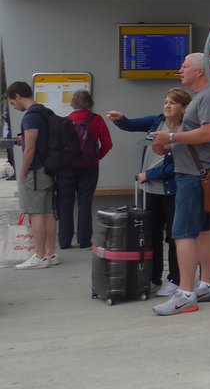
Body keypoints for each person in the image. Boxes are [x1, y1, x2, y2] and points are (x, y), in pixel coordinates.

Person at [149, 53, 210, 316]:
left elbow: (208, 133)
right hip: (199, 173)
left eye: (185, 66)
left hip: (193, 177)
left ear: (200, 71)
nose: (180, 70)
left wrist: (170, 135)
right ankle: (207, 285)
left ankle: (184, 294)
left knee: (182, 233)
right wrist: (173, 145)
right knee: (205, 230)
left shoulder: (208, 97)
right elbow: (201, 136)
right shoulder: (205, 97)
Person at [107, 87, 191, 296]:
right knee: (151, 235)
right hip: (151, 191)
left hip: (173, 190)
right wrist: (120, 119)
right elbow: (131, 125)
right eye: (166, 102)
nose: (167, 106)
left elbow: (181, 164)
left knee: (174, 237)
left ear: (184, 107)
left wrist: (150, 175)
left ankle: (175, 279)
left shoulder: (187, 131)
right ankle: (153, 278)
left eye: (172, 102)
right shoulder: (157, 122)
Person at [4, 82, 57, 269]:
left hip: (35, 172)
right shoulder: (44, 112)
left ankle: (39, 255)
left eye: (12, 102)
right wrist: (22, 139)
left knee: (36, 214)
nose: (13, 106)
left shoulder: (30, 117)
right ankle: (51, 253)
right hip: (48, 169)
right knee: (48, 213)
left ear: (18, 96)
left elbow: (31, 149)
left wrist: (23, 172)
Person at [57, 90, 113, 251]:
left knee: (65, 202)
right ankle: (84, 241)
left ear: (73, 103)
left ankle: (64, 241)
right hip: (89, 167)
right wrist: (97, 156)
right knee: (85, 202)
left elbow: (58, 147)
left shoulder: (65, 121)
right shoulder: (96, 120)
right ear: (90, 103)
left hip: (66, 168)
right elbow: (107, 144)